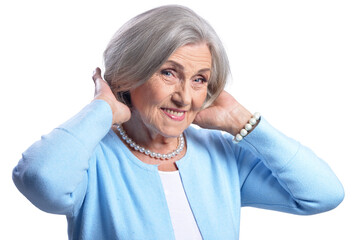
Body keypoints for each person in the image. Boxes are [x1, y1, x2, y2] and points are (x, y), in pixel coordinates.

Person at [12, 5, 344, 240]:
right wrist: (102, 109)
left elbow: (323, 194)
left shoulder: (221, 156)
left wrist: (244, 122)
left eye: (200, 79)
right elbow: (40, 180)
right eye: (169, 73)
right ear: (129, 75)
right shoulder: (92, 159)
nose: (185, 97)